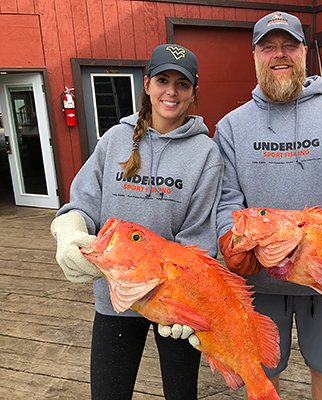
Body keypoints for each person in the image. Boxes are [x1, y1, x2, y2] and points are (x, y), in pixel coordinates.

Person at [214, 12, 322, 400]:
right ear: (255, 55)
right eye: (268, 47)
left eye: (289, 45)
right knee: (261, 374)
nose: (280, 55)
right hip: (259, 283)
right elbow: (225, 200)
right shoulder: (230, 126)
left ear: (304, 53)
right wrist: (228, 239)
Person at [50, 44, 224, 400]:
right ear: (146, 84)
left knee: (181, 394)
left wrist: (175, 295)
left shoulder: (206, 153)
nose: (171, 92)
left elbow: (199, 238)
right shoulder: (114, 140)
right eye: (162, 80)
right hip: (115, 297)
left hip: (174, 302)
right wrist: (69, 233)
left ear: (193, 93)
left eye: (182, 84)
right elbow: (82, 205)